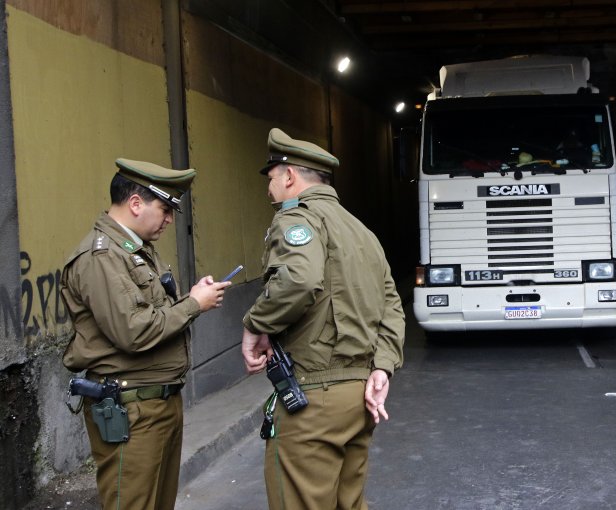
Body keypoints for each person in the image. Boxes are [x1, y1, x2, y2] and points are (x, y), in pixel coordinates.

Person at [241, 128, 405, 510]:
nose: (269, 190)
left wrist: (255, 324)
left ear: (289, 176)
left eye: (271, 179)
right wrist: (382, 366)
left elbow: (300, 277)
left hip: (314, 400)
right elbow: (391, 304)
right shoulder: (362, 231)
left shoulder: (296, 219)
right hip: (359, 395)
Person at [60, 158, 231, 510]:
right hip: (130, 410)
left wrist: (191, 298)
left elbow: (150, 313)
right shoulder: (102, 257)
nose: (170, 219)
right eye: (165, 209)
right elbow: (133, 331)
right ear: (136, 203)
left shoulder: (136, 252)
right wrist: (193, 305)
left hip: (157, 402)